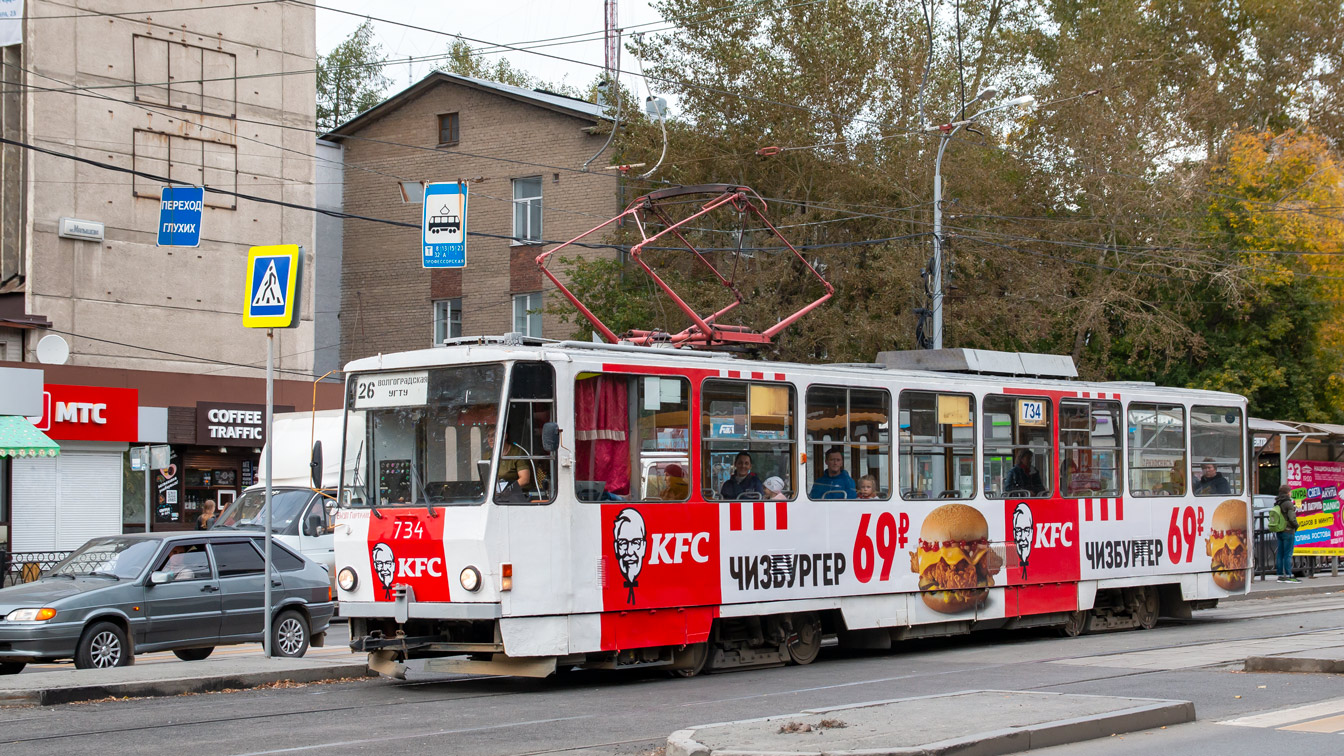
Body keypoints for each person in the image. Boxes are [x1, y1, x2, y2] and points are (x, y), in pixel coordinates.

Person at [1274, 484, 1300, 583]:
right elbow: (1292, 518)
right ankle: (1289, 575)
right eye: (1290, 491)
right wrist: (1296, 526)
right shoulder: (1288, 503)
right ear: (1287, 492)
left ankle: (1280, 575)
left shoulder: (1277, 502)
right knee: (1288, 554)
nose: (1291, 493)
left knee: (1280, 553)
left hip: (1279, 530)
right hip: (1288, 531)